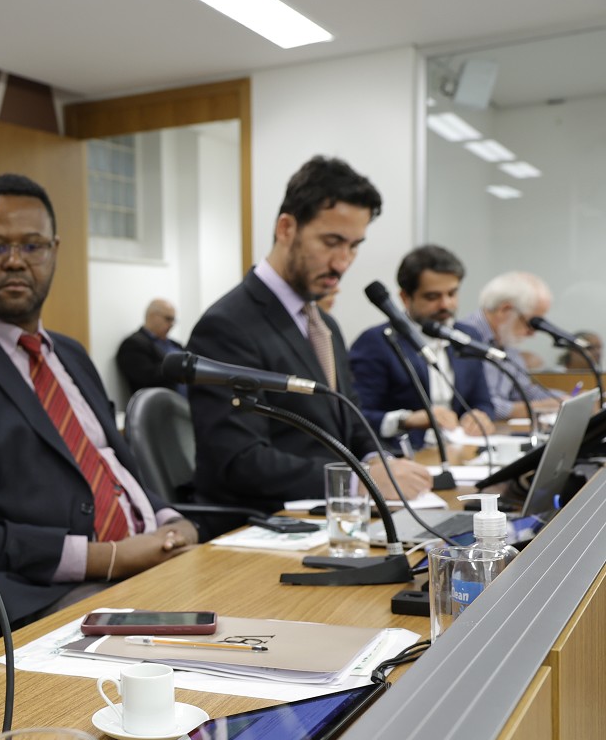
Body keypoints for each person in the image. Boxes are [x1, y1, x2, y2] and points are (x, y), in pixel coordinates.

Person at [0, 174, 196, 624]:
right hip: (52, 595)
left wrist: (169, 519)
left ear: (54, 251)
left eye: (32, 246)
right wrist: (104, 558)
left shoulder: (70, 354)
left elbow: (112, 465)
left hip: (153, 563)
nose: (15, 261)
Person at [186, 156, 432, 522]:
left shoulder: (325, 325)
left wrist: (381, 462)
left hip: (331, 519)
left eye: (353, 246)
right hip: (260, 526)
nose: (343, 262)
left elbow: (349, 419)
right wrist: (357, 480)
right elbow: (240, 460)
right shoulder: (227, 326)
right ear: (286, 228)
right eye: (332, 242)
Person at [348, 245, 493, 448]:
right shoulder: (377, 342)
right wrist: (407, 419)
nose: (446, 305)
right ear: (405, 298)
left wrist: (480, 416)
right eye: (432, 297)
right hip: (406, 456)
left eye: (452, 293)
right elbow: (355, 417)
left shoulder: (467, 336)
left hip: (461, 451)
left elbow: (483, 401)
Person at [459, 271, 562, 420]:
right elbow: (482, 404)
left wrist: (563, 399)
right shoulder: (464, 339)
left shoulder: (506, 337)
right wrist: (542, 407)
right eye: (531, 324)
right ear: (505, 310)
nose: (532, 333)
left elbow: (523, 390)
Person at [116, 298, 187, 397]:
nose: (172, 324)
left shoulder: (175, 344)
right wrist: (178, 365)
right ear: (152, 316)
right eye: (168, 319)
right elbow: (145, 377)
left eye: (173, 320)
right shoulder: (133, 344)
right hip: (164, 406)